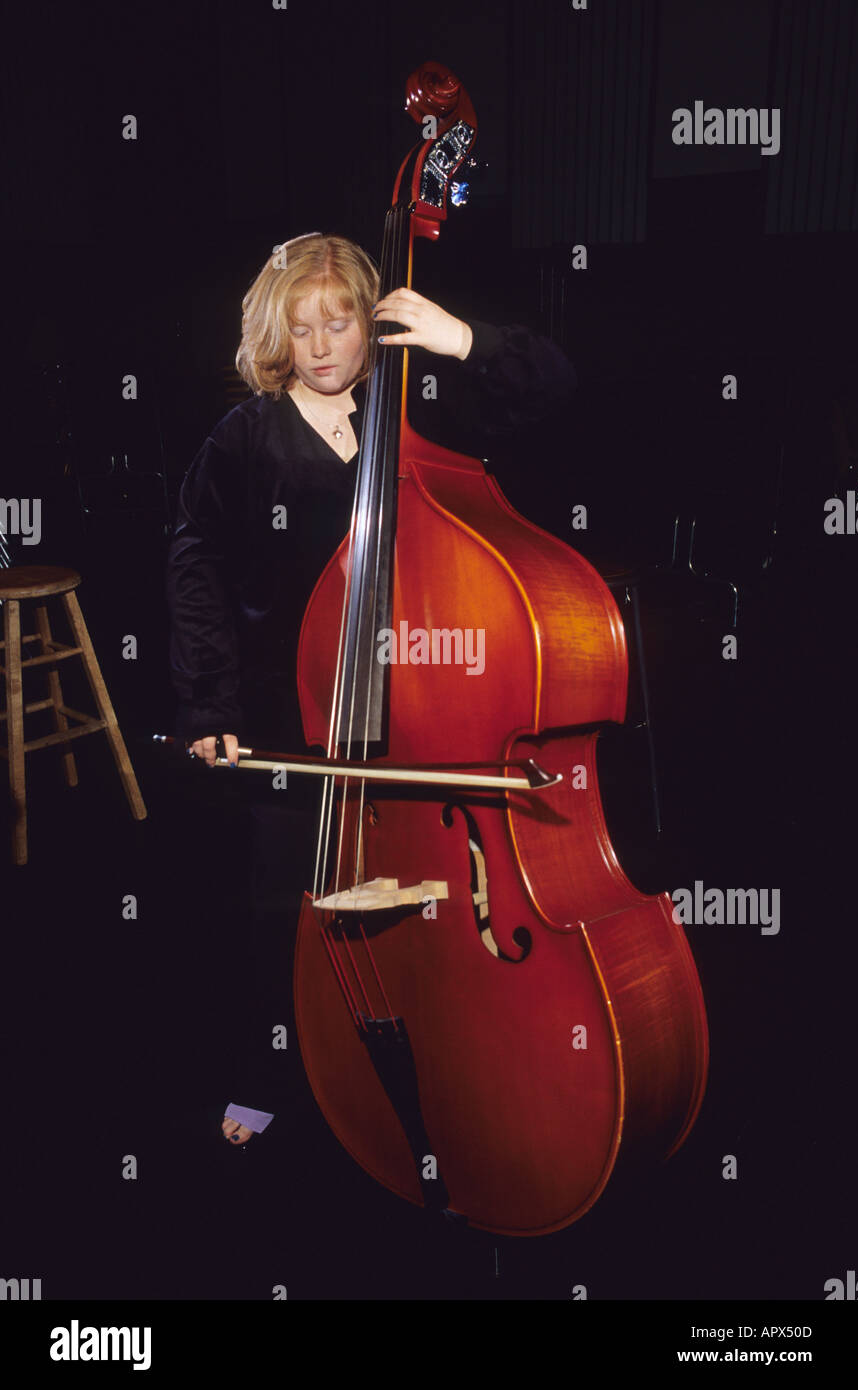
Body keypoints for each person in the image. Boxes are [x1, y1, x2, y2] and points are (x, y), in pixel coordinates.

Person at [165, 232, 576, 1144]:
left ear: (368, 318)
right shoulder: (246, 438)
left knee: (422, 907)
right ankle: (270, 1068)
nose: (321, 346)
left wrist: (461, 339)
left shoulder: (420, 407)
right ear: (275, 334)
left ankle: (454, 1046)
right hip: (292, 720)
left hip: (425, 719)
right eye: (301, 328)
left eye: (339, 322)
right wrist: (209, 701)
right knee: (284, 909)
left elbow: (556, 389)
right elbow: (194, 558)